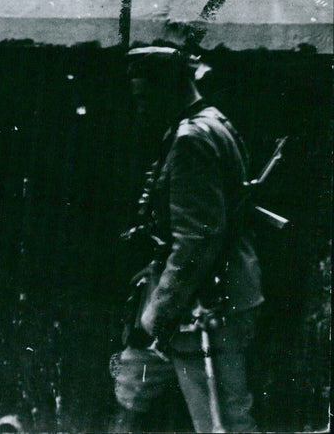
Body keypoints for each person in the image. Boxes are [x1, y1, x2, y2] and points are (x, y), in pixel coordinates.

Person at [112, 45, 263, 432]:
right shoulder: (215, 122)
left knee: (220, 420)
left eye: (145, 97)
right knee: (218, 412)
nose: (140, 108)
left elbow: (196, 242)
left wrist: (154, 315)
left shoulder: (191, 139)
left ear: (170, 88)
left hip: (205, 306)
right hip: (219, 294)